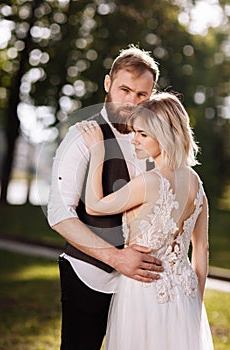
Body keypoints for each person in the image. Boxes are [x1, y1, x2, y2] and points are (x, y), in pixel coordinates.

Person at [47, 46, 164, 350]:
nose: (132, 101)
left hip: (139, 285)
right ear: (108, 83)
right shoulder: (81, 136)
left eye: (142, 95)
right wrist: (116, 258)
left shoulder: (155, 142)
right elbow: (59, 214)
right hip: (90, 276)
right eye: (125, 89)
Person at [77, 91, 214, 349]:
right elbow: (202, 249)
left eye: (142, 134)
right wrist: (196, 300)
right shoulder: (197, 183)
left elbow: (95, 206)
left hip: (144, 291)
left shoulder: (151, 182)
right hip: (186, 295)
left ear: (163, 135)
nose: (134, 141)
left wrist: (97, 152)